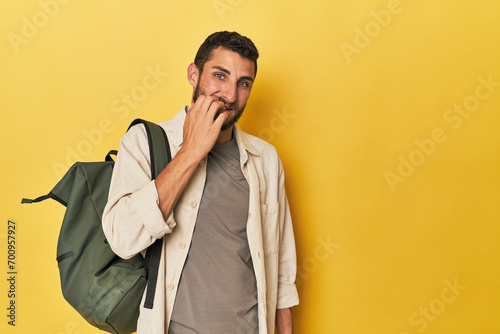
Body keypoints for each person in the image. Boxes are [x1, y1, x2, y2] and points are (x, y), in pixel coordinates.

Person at [102, 31, 299, 334]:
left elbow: (282, 275)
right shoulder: (144, 142)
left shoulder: (266, 160)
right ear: (194, 74)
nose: (231, 95)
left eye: (243, 83)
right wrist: (191, 151)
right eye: (220, 76)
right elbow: (122, 238)